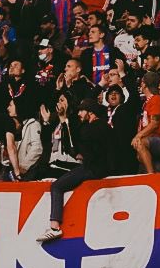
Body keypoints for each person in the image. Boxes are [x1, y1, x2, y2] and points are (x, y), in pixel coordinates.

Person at [39, 100, 112, 241]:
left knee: (56, 186)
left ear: (90, 112)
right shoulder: (105, 126)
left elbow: (72, 147)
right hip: (101, 168)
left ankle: (54, 227)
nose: (79, 113)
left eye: (82, 110)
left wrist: (64, 120)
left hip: (92, 168)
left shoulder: (89, 128)